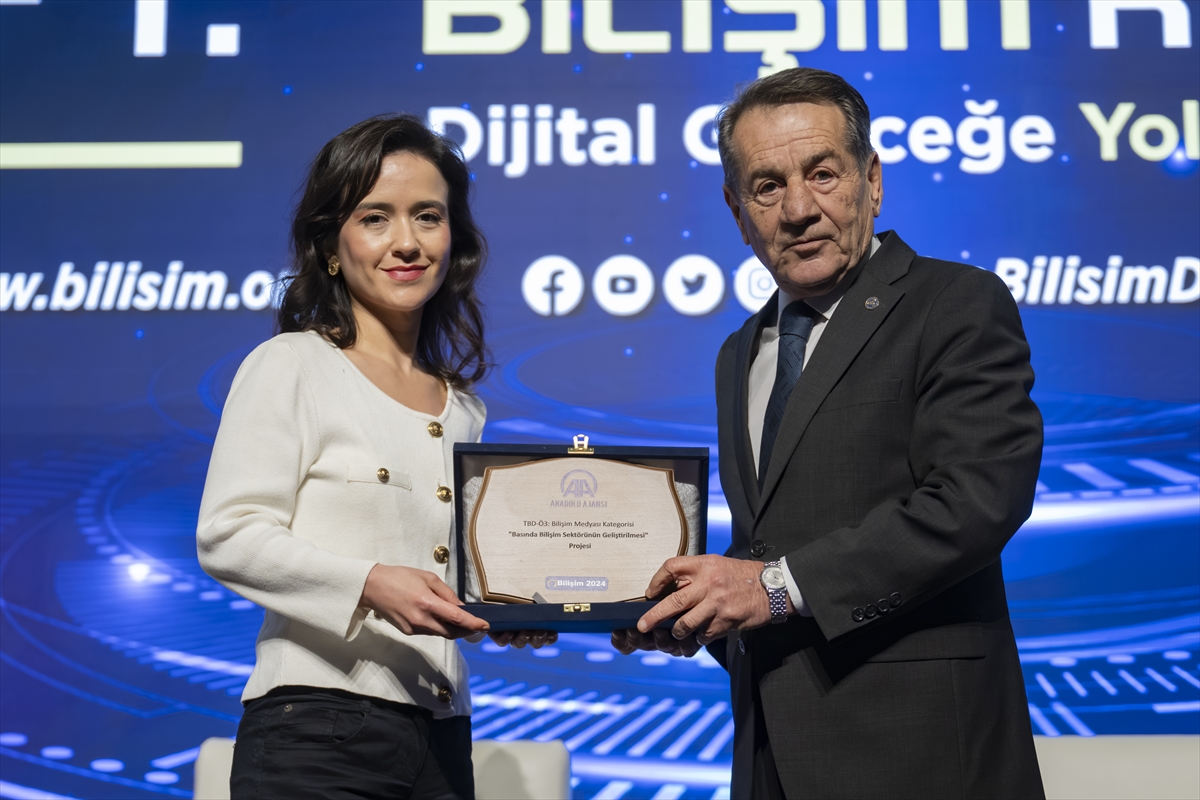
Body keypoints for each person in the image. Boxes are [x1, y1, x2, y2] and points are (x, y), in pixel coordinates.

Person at [614, 68, 1045, 798]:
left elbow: (976, 501)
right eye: (767, 186)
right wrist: (684, 614)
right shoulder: (738, 353)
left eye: (822, 173)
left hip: (924, 756)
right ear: (736, 210)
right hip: (771, 758)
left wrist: (771, 590)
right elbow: (766, 556)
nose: (799, 209)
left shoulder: (955, 303)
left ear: (871, 180)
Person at [197, 115, 553, 800]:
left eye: (428, 217)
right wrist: (370, 583)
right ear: (332, 245)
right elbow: (228, 535)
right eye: (375, 218)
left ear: (454, 241)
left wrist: (511, 609)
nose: (407, 242)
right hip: (315, 731)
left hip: (443, 736)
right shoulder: (292, 364)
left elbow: (449, 574)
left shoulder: (463, 407)